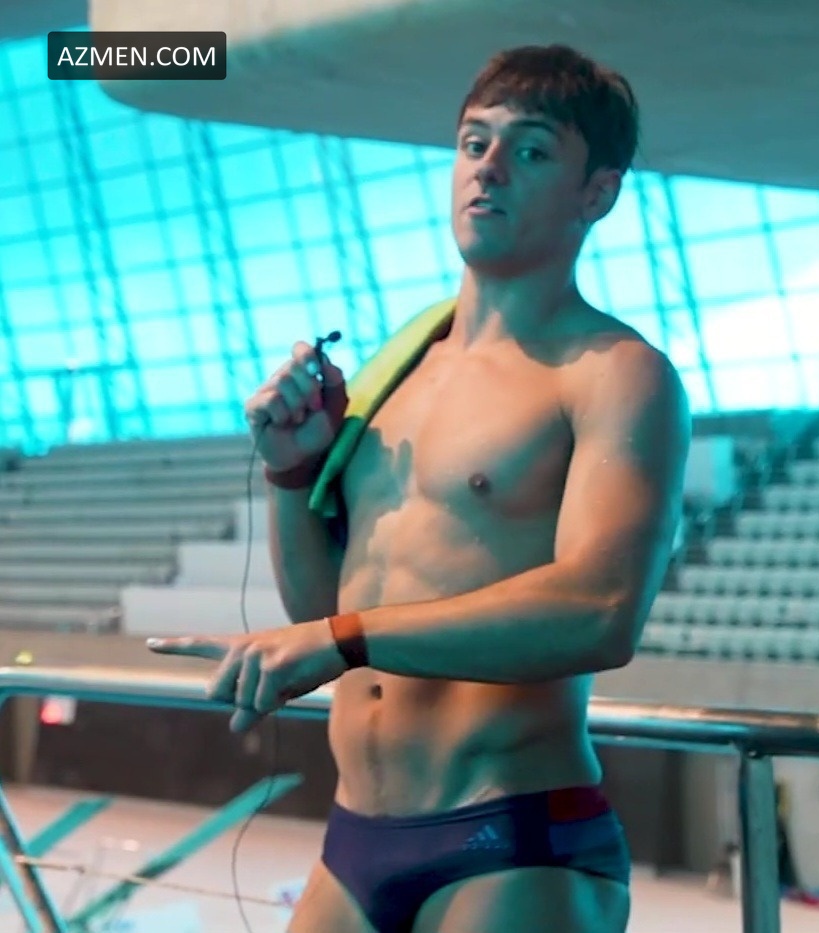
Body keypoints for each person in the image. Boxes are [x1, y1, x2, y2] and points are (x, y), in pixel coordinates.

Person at [149, 43, 690, 933]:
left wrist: (343, 637)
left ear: (597, 192)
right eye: (474, 143)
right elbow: (322, 611)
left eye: (530, 150)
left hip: (511, 837)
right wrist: (291, 472)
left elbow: (599, 611)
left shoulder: (612, 372)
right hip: (354, 835)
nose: (489, 168)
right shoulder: (393, 372)